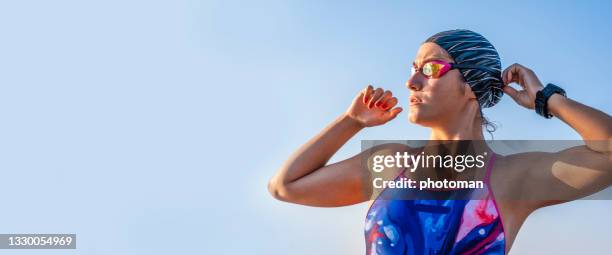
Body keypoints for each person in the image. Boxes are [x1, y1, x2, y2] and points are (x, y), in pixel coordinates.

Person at [267, 29, 612, 254]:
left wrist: (545, 97)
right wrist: (350, 122)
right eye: (413, 69)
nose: (411, 81)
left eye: (430, 69)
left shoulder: (511, 179)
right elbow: (286, 187)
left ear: (471, 86)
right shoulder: (390, 164)